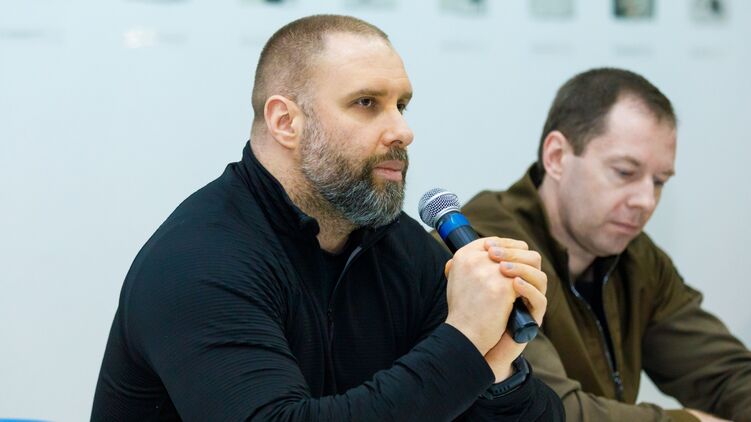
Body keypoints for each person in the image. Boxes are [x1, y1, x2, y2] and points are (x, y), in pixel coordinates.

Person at [91, 15, 563, 421]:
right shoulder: (197, 262)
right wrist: (465, 341)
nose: (403, 130)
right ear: (285, 122)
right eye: (367, 103)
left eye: (401, 105)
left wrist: (497, 366)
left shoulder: (400, 247)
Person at [459, 67, 751, 422]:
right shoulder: (482, 253)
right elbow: (546, 411)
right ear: (556, 157)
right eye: (625, 172)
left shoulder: (637, 257)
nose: (646, 200)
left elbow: (724, 375)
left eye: (659, 181)